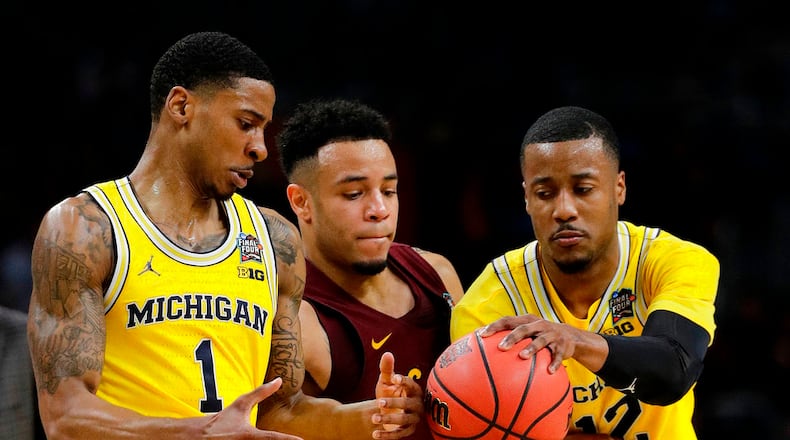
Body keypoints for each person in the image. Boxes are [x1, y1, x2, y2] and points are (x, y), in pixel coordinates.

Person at [26, 31, 424, 440]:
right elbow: (66, 415)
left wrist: (372, 417)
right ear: (182, 106)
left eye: (264, 128)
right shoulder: (86, 228)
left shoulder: (275, 239)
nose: (261, 148)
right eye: (246, 124)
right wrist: (200, 434)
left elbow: (280, 409)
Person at [450, 106, 719, 439]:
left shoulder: (674, 261)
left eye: (583, 189)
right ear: (527, 199)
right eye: (545, 194)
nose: (564, 210)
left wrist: (574, 340)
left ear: (619, 188)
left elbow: (672, 372)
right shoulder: (489, 304)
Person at [277, 98, 465, 439]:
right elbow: (275, 419)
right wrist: (372, 418)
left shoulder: (437, 273)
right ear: (301, 202)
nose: (379, 209)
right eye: (353, 194)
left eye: (389, 190)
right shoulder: (295, 313)